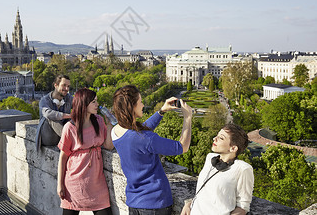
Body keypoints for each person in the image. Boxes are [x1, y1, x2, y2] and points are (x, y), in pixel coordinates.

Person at [111, 85, 193, 215]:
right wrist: (188, 118)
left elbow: (141, 132)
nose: (143, 105)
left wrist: (162, 111)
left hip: (134, 201)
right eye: (140, 102)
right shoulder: (145, 138)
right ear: (132, 107)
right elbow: (182, 147)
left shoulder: (115, 132)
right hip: (155, 203)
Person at [57, 88, 114, 215]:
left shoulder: (99, 120)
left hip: (97, 183)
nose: (97, 105)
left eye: (96, 101)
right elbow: (63, 157)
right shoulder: (70, 127)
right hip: (75, 183)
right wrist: (60, 185)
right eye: (93, 102)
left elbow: (108, 146)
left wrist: (109, 125)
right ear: (84, 103)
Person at [180, 123, 254, 215]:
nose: (214, 139)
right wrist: (188, 204)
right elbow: (205, 191)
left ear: (233, 148)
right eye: (217, 135)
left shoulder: (243, 169)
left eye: (221, 138)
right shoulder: (210, 158)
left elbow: (243, 207)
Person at [36, 75, 73, 149]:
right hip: (48, 137)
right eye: (64, 85)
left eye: (68, 86)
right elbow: (47, 113)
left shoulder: (69, 98)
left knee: (74, 118)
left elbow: (80, 105)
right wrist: (68, 115)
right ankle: (71, 141)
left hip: (61, 136)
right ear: (55, 85)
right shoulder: (45, 100)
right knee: (51, 117)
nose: (67, 89)